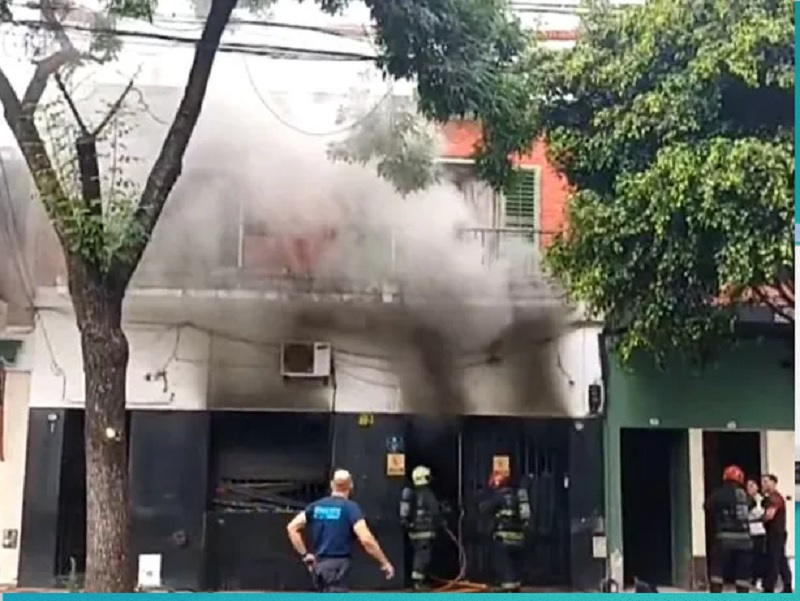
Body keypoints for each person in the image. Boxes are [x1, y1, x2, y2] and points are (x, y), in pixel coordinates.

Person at [286, 468, 395, 592]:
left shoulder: (315, 507)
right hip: (338, 567)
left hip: (319, 567)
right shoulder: (351, 509)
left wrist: (305, 554)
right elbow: (366, 539)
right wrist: (384, 562)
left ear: (332, 484)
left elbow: (292, 527)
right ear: (351, 485)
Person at [478, 471, 531, 592]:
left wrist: (484, 496)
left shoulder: (498, 496)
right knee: (515, 565)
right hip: (518, 538)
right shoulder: (517, 495)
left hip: (503, 539)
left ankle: (508, 589)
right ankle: (515, 587)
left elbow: (483, 509)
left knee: (503, 565)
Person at [703, 464, 752, 593]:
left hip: (724, 538)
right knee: (743, 575)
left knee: (717, 572)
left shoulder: (719, 493)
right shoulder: (745, 495)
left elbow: (708, 506)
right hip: (745, 540)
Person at [399, 465, 443, 590]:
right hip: (425, 530)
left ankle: (420, 579)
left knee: (419, 554)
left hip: (413, 531)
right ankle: (418, 582)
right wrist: (441, 521)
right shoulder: (427, 493)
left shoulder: (412, 492)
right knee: (423, 556)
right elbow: (435, 511)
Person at [761, 473, 793, 593]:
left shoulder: (774, 498)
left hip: (775, 534)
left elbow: (769, 515)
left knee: (773, 559)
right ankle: (787, 585)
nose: (763, 484)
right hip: (778, 533)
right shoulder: (771, 498)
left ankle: (769, 587)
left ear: (773, 483)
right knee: (780, 559)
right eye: (763, 482)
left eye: (766, 482)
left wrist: (759, 518)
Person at [746, 479, 767, 589]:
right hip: (749, 530)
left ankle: (759, 579)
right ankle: (750, 578)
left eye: (752, 485)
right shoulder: (745, 499)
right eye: (748, 486)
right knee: (749, 557)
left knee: (760, 556)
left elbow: (762, 513)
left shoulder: (762, 499)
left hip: (760, 531)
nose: (750, 488)